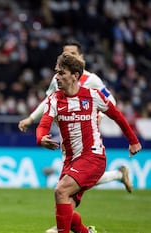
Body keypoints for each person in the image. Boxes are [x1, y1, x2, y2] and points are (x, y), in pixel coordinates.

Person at [36, 52, 142, 233]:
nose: (56, 77)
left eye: (61, 73)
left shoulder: (93, 96)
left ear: (75, 76)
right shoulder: (55, 99)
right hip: (71, 161)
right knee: (65, 211)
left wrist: (133, 141)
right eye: (56, 72)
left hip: (93, 157)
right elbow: (43, 124)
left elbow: (117, 116)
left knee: (60, 191)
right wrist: (41, 138)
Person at [19, 39, 132, 194]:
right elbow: (48, 100)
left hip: (85, 134)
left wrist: (100, 115)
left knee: (73, 180)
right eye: (66, 53)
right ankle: (117, 175)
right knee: (76, 177)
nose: (69, 56)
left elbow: (110, 100)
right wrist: (31, 118)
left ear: (81, 57)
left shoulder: (92, 80)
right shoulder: (58, 78)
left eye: (72, 53)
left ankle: (67, 204)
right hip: (65, 134)